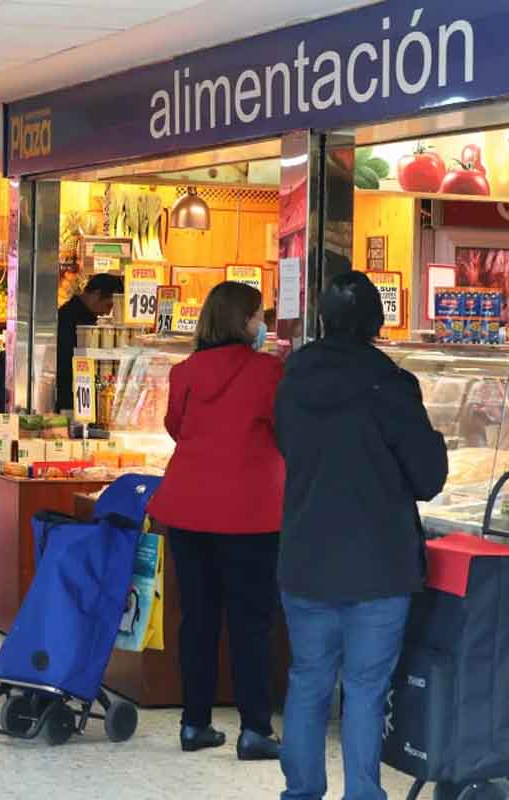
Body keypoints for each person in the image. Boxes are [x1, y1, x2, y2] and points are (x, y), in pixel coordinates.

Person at [274, 272, 448, 800]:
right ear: (376, 322)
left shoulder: (292, 378)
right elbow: (428, 478)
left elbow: (289, 449)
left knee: (308, 681)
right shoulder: (389, 385)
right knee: (366, 690)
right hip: (377, 564)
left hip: (305, 554)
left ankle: (301, 792)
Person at [146, 282, 284, 758]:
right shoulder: (270, 372)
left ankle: (194, 723)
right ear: (243, 322)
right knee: (251, 621)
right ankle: (254, 729)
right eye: (257, 316)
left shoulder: (185, 372)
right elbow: (285, 429)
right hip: (251, 511)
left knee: (198, 619)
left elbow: (176, 428)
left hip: (187, 508)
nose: (261, 324)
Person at [56, 273, 123, 411]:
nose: (107, 312)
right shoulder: (71, 319)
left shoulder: (77, 315)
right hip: (70, 399)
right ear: (96, 294)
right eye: (108, 305)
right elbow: (65, 365)